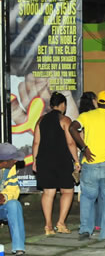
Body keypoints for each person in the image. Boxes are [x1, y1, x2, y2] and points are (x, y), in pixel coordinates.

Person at [69, 90, 105, 241]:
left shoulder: (86, 116)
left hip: (90, 165)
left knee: (87, 198)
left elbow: (72, 128)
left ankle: (85, 229)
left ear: (98, 102)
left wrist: (84, 148)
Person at [32, 92, 81, 236]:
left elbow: (36, 142)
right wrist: (76, 160)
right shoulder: (65, 119)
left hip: (44, 160)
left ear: (51, 105)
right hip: (62, 160)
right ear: (63, 105)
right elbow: (71, 143)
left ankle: (48, 226)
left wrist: (34, 161)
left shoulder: (41, 120)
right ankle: (60, 223)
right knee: (67, 191)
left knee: (48, 192)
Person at [77, 91, 102, 233]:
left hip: (85, 153)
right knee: (100, 191)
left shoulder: (82, 117)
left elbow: (79, 136)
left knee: (88, 192)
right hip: (99, 152)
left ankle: (88, 224)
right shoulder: (97, 116)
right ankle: (98, 223)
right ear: (93, 100)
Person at [0, 143, 28, 256]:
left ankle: (19, 253)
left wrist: (4, 196)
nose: (16, 161)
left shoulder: (10, 169)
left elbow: (14, 190)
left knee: (14, 205)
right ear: (4, 161)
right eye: (14, 159)